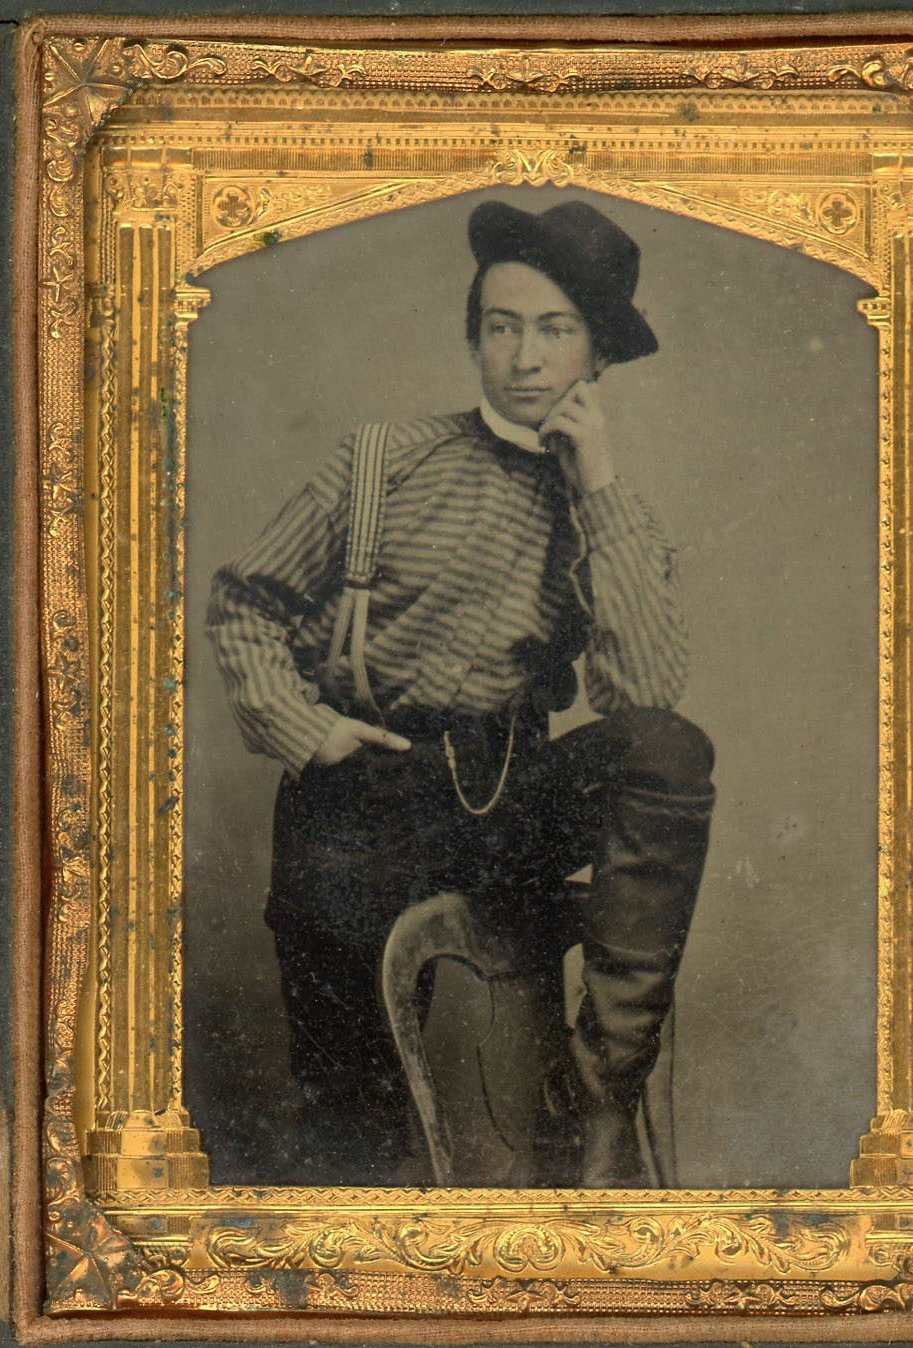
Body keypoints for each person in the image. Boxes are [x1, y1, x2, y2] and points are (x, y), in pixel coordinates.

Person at [207, 198, 716, 1189]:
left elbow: (644, 693)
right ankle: (376, 1263)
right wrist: (307, 730)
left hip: (511, 796)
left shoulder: (610, 511)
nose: (525, 358)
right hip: (369, 788)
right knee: (347, 1102)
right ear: (475, 338)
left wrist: (598, 485)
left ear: (596, 357)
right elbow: (245, 601)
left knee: (672, 751)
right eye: (502, 327)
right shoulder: (382, 462)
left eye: (555, 330)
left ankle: (598, 1089)